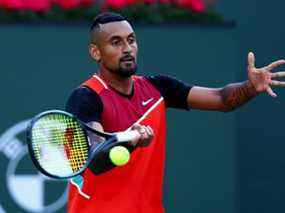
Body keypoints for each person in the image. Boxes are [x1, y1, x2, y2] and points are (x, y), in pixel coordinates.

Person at [65, 12, 285, 213]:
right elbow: (96, 159)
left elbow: (221, 99)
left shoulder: (158, 87)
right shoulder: (86, 97)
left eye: (131, 40)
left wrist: (250, 87)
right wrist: (131, 141)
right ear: (96, 52)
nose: (127, 48)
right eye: (116, 42)